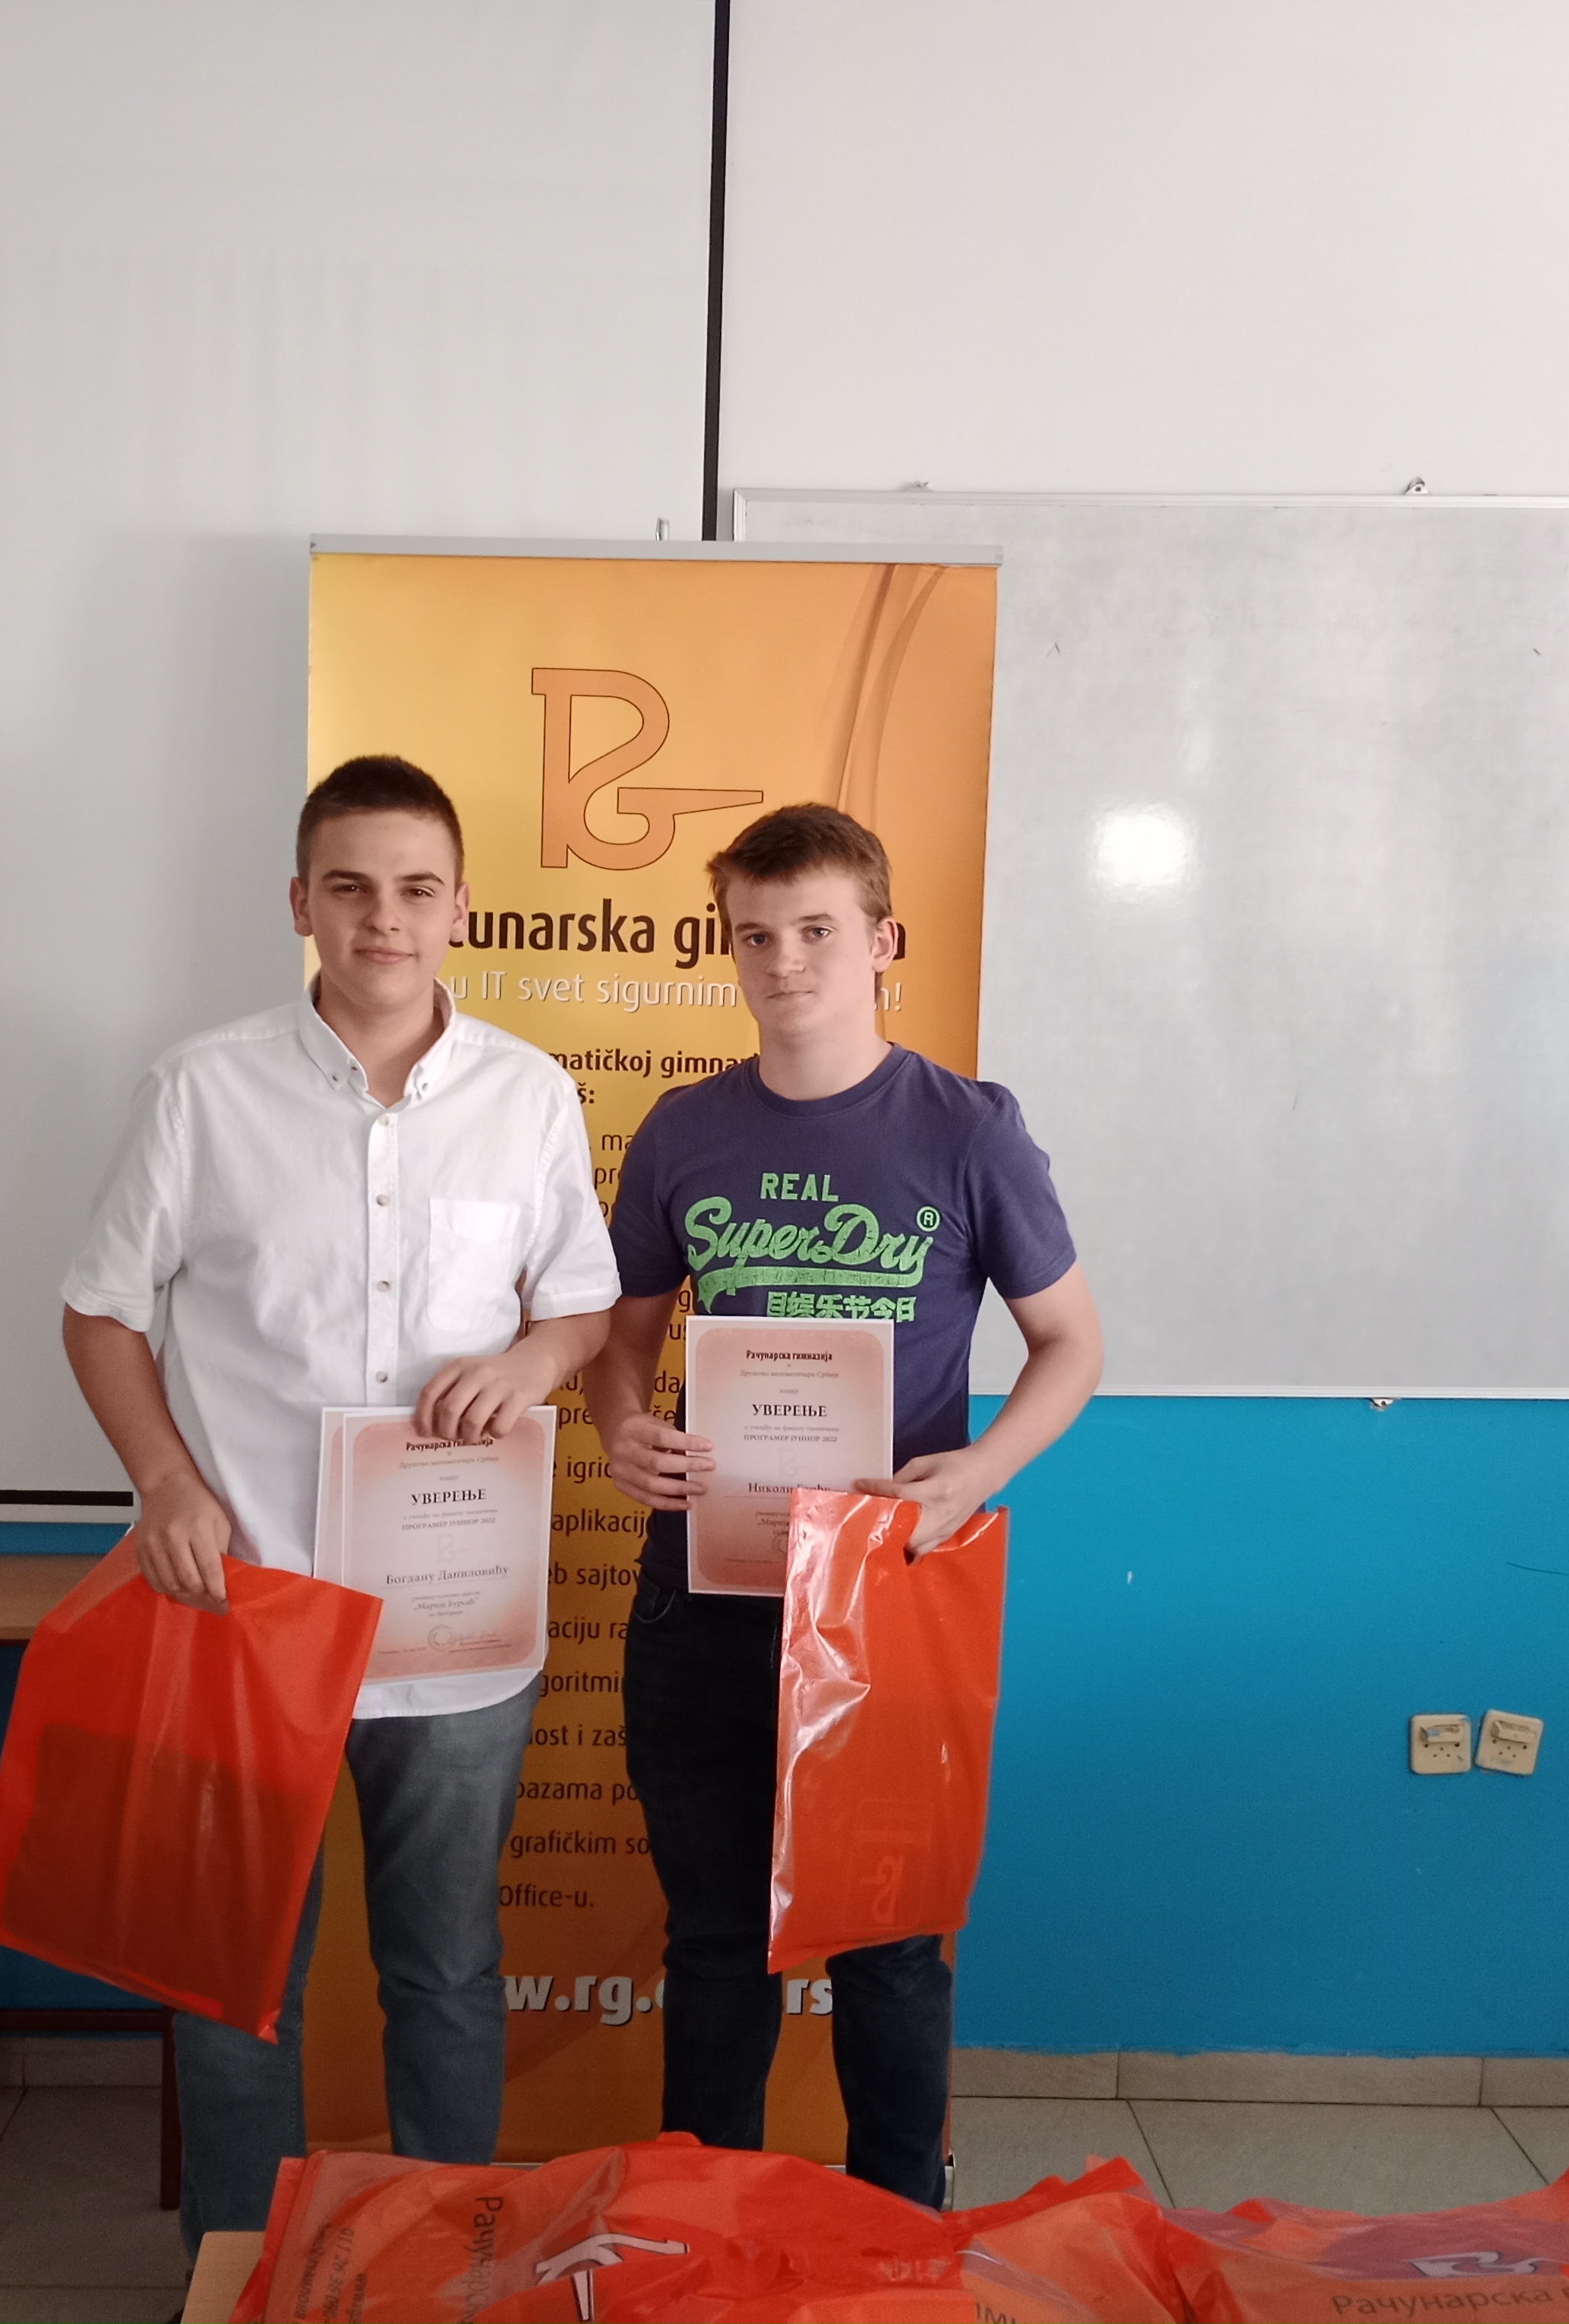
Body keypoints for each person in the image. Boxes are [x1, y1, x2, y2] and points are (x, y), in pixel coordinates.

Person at [59, 754, 618, 2259]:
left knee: (446, 1971)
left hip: (453, 1626)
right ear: (301, 903)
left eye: (417, 889)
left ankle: (449, 2263)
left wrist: (532, 1362)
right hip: (251, 1607)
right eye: (353, 888)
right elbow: (101, 1313)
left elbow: (579, 1308)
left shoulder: (526, 1095)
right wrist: (165, 1481)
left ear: (461, 909)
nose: (387, 918)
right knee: (234, 1981)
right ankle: (243, 2272)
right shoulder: (202, 1091)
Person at [581, 802, 1103, 2206]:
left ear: (883, 941)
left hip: (886, 1598)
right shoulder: (683, 1131)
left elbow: (1072, 1347)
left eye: (816, 930)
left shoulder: (969, 1131)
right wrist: (622, 1426)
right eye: (754, 936)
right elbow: (622, 1341)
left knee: (889, 1948)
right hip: (706, 1596)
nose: (785, 962)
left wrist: (977, 1475)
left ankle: (898, 2234)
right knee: (715, 1945)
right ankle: (707, 2228)